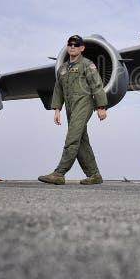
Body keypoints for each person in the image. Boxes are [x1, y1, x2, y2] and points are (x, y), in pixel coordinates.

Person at [38, 35, 108, 185]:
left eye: (76, 45)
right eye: (70, 44)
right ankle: (94, 175)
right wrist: (57, 109)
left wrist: (101, 107)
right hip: (70, 106)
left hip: (84, 102)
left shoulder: (87, 65)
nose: (72, 46)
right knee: (81, 140)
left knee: (72, 137)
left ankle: (59, 173)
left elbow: (97, 85)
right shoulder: (62, 69)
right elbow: (58, 90)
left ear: (82, 48)